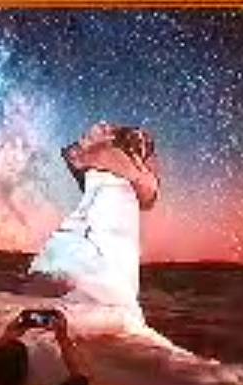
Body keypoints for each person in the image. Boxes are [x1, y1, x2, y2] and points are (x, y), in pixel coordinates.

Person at [25, 122, 159, 330]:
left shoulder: (100, 158)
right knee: (112, 293)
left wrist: (96, 143)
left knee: (103, 289)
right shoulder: (116, 161)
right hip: (106, 226)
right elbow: (148, 196)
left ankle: (61, 318)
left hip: (97, 226)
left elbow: (73, 156)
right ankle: (63, 319)